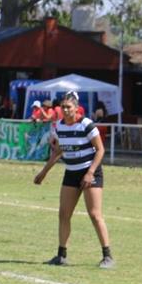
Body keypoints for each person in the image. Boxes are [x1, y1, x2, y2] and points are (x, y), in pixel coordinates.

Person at [32, 92, 114, 269]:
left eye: (69, 107)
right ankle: (61, 255)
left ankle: (107, 256)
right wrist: (44, 172)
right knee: (64, 214)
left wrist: (90, 173)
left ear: (76, 108)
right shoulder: (59, 127)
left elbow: (100, 150)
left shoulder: (86, 124)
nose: (65, 110)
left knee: (94, 214)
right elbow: (58, 151)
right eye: (63, 107)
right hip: (71, 172)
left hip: (90, 171)